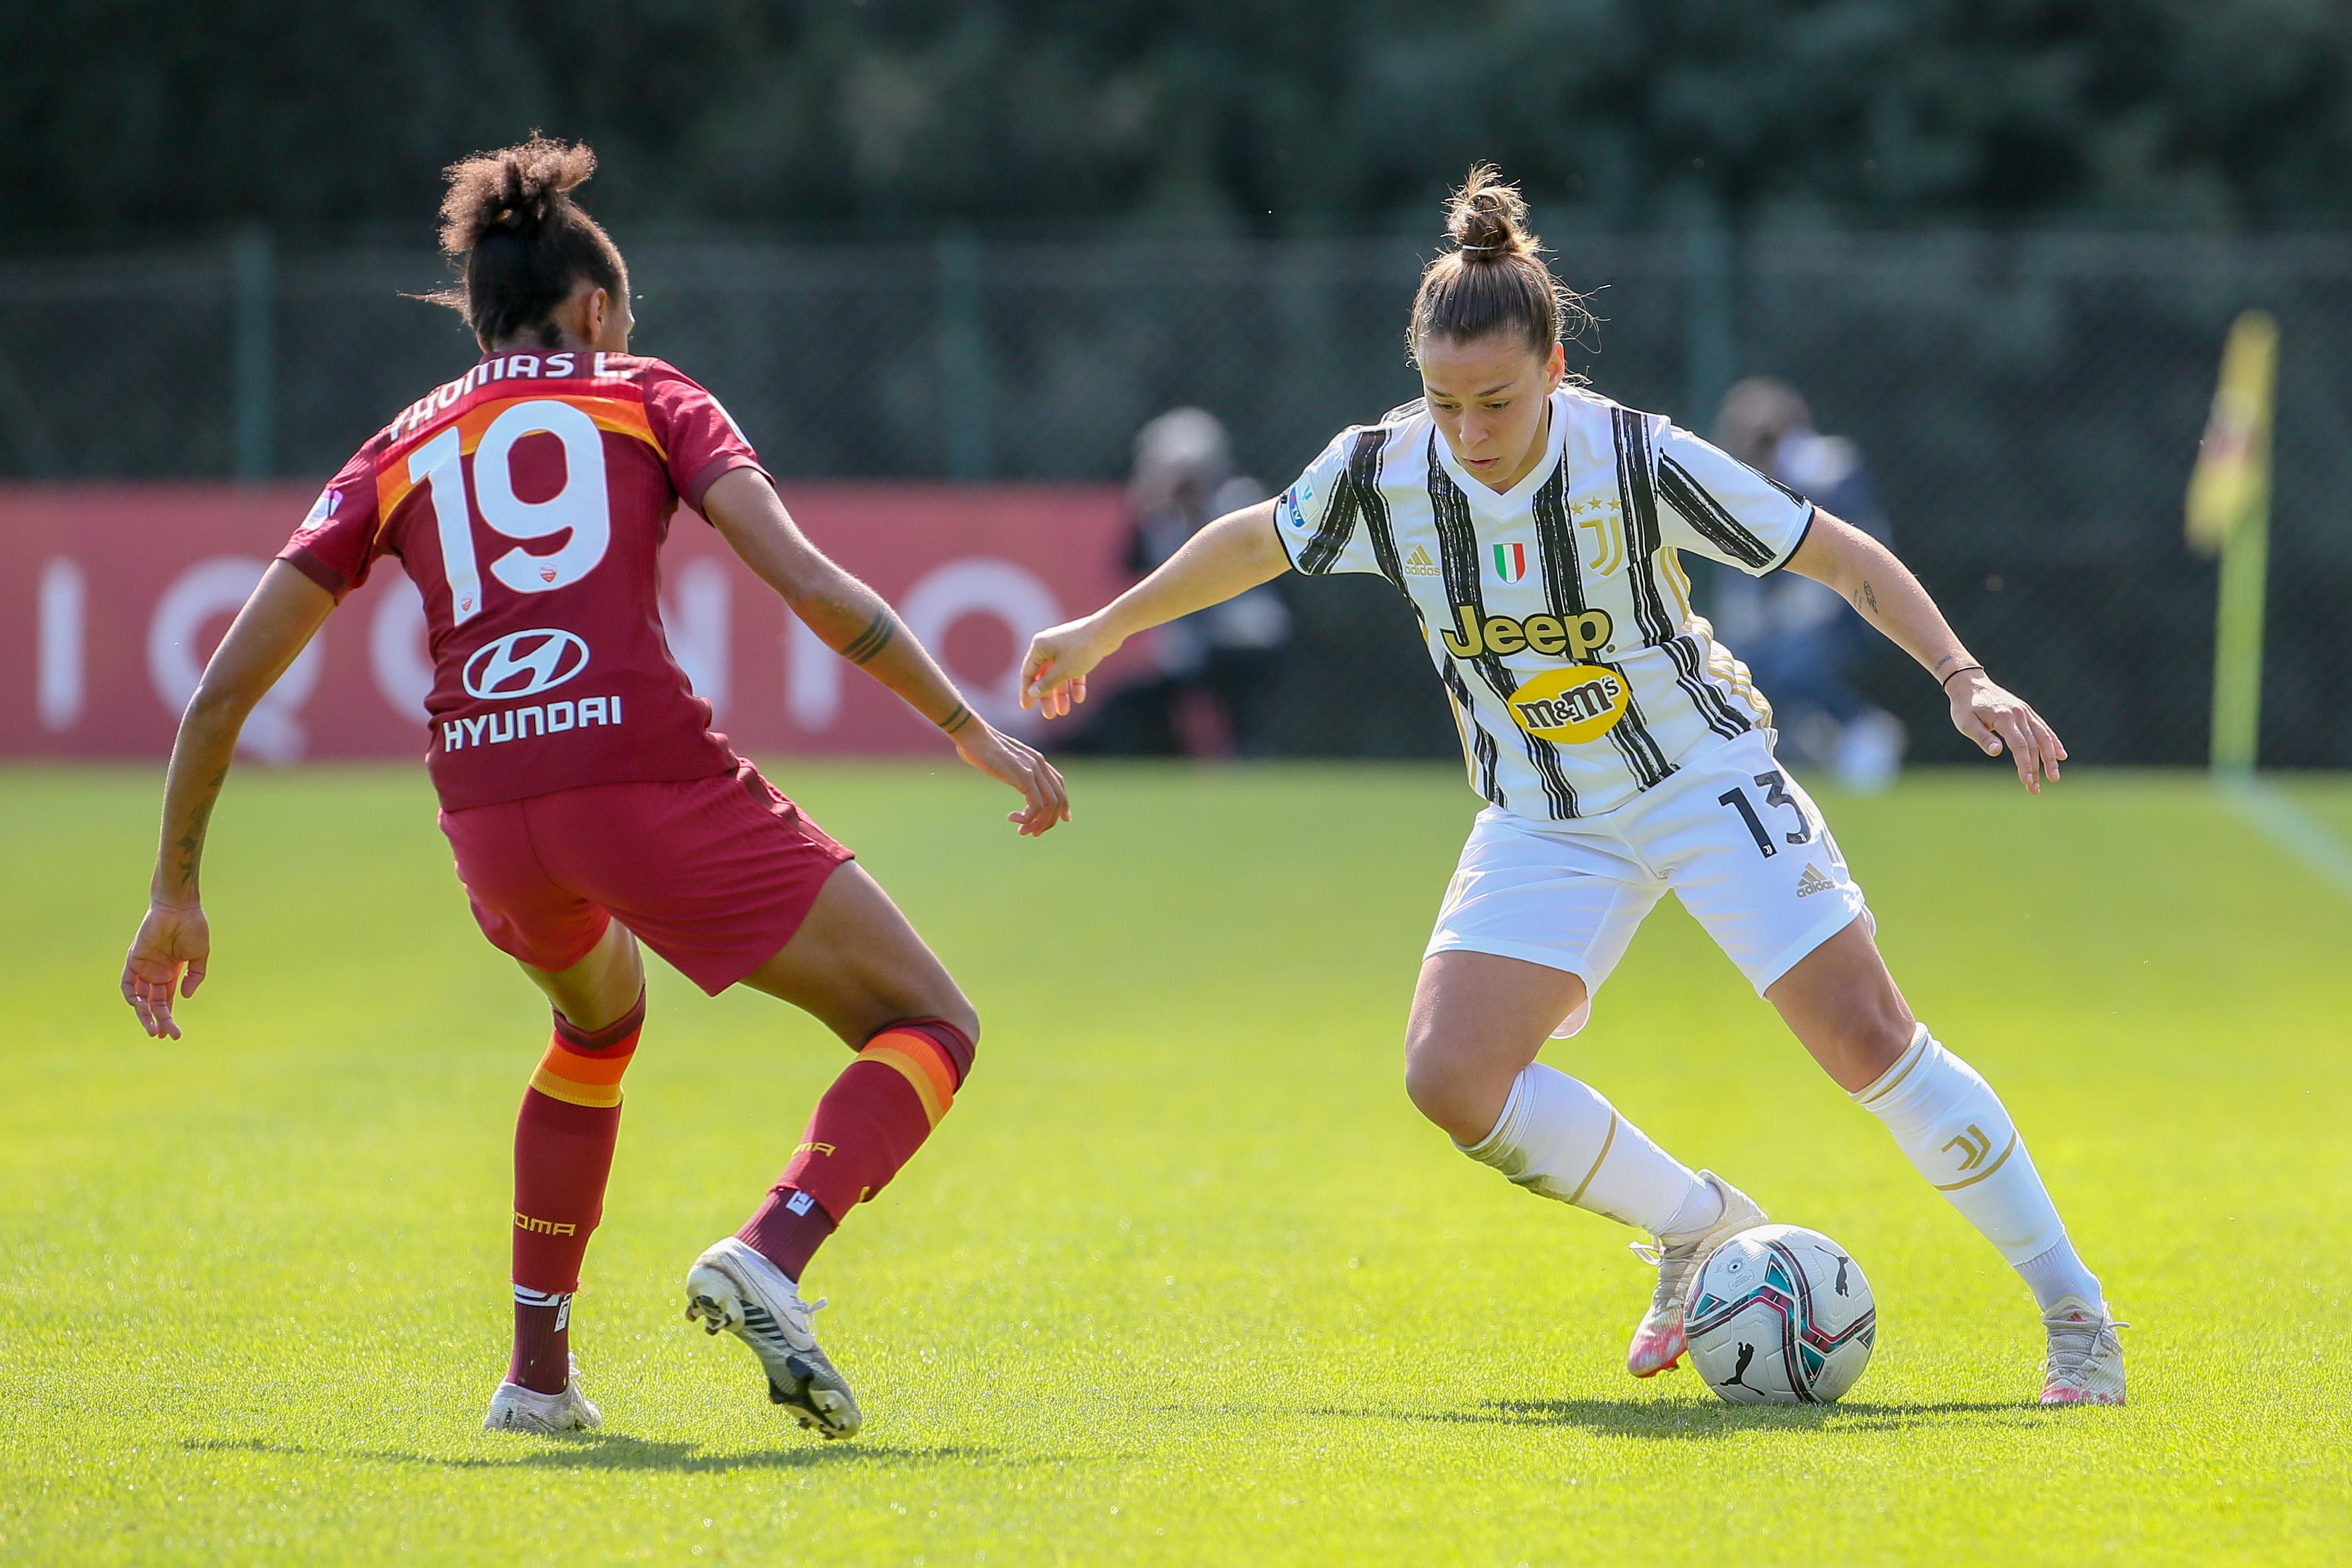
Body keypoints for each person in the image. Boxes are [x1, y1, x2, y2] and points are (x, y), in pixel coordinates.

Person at [1020, 167, 2124, 1405]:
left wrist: (1962, 675)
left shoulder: (1637, 457)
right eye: (1442, 402)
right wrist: (1102, 628)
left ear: (1554, 370)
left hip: (1699, 778)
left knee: (1867, 1039)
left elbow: (1837, 553)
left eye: (1493, 400)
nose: (1467, 430)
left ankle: (2072, 1309)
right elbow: (1256, 536)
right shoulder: (1383, 469)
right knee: (1449, 1077)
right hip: (1543, 814)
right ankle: (1698, 1223)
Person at [118, 138, 1069, 1439]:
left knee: (596, 1027)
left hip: (487, 817)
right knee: (929, 1022)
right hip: (640, 779)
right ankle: (772, 1253)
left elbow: (221, 690)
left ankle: (538, 1376)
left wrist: (176, 886)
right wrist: (968, 727)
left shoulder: (395, 447)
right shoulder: (645, 392)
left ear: (476, 316)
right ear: (596, 312)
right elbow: (801, 578)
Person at [1705, 378, 1906, 790]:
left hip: (1851, 607)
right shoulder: (1751, 476)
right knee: (1737, 666)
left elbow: (1850, 549)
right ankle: (1804, 746)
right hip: (1788, 615)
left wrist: (1784, 617)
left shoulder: (1829, 472)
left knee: (1796, 664)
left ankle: (1862, 729)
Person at [1066, 408, 1291, 756]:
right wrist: (1146, 507)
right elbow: (1127, 564)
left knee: (1231, 683)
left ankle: (1244, 751)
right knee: (1137, 700)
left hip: (1242, 639)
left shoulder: (1240, 503)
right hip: (1192, 646)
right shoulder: (1159, 519)